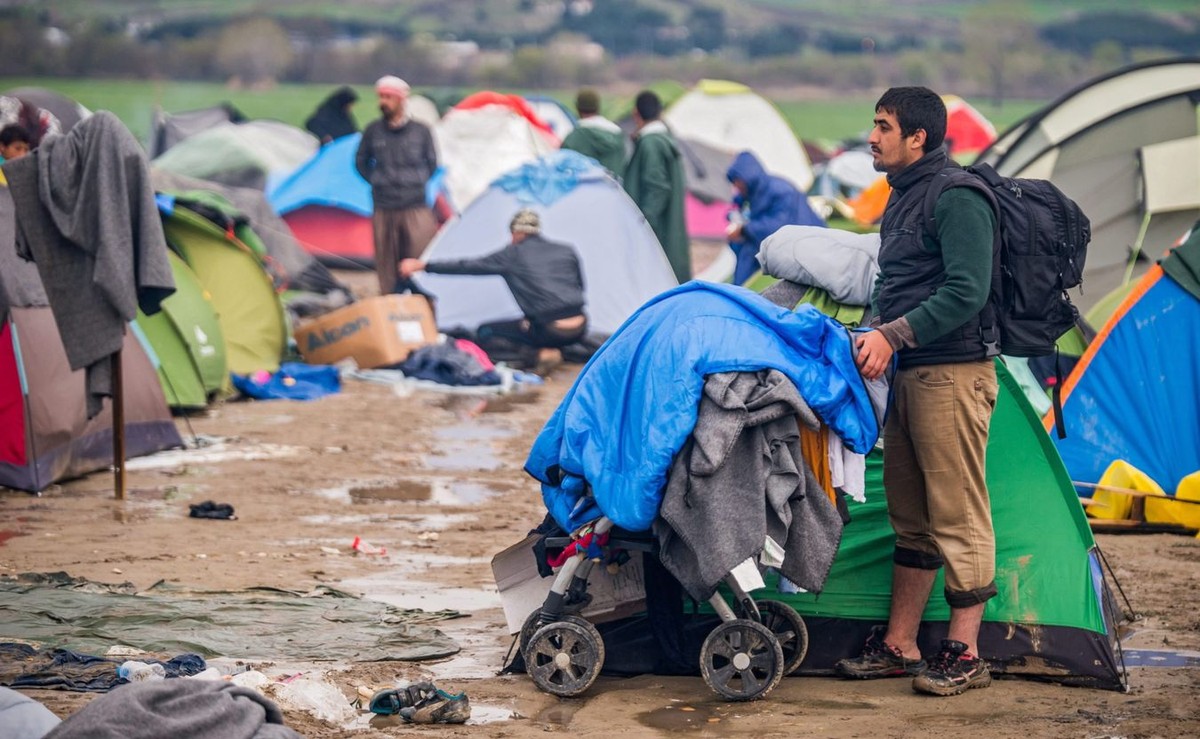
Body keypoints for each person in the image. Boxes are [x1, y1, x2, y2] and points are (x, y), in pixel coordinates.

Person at [836, 87, 1000, 697]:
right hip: (908, 375)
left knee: (958, 512)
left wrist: (891, 335)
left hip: (952, 374)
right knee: (912, 518)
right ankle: (900, 644)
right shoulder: (903, 198)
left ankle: (965, 651)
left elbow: (967, 291)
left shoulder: (958, 197)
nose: (871, 137)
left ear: (918, 138)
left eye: (883, 126)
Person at [399, 208, 587, 359]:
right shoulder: (566, 250)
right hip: (581, 326)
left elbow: (468, 266)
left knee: (485, 332)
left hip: (550, 329)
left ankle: (538, 354)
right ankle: (558, 349)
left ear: (517, 233)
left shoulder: (512, 254)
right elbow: (580, 287)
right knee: (525, 323)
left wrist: (424, 266)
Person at [355, 75, 440, 296]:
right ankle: (390, 303)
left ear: (401, 99)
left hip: (415, 205)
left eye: (388, 97)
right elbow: (361, 162)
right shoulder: (373, 131)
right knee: (386, 262)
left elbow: (432, 163)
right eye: (381, 97)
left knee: (419, 255)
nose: (383, 102)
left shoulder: (421, 131)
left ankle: (425, 300)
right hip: (384, 205)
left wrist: (416, 181)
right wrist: (377, 181)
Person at [725, 150, 825, 285]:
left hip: (805, 243)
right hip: (786, 243)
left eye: (738, 181)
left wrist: (744, 229)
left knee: (749, 251)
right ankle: (740, 287)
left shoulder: (780, 191)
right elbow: (739, 206)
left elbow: (778, 226)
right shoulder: (753, 192)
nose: (736, 186)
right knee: (744, 247)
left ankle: (740, 288)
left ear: (748, 177)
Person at [624, 90, 690, 284]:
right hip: (668, 230)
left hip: (657, 233)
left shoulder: (651, 143)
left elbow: (657, 188)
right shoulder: (665, 139)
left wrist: (643, 226)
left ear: (636, 114)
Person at [559, 88, 625, 178]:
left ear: (578, 108)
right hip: (614, 189)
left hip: (586, 190)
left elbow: (562, 168)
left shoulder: (575, 137)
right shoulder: (617, 134)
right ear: (598, 107)